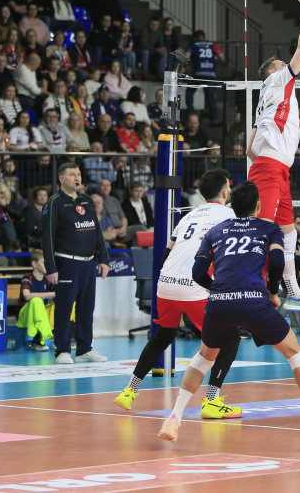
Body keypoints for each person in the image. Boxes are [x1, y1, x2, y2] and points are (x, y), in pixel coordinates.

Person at [158, 180, 300, 442]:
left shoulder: (216, 230)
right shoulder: (269, 229)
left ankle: (173, 419)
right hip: (254, 302)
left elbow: (197, 272)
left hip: (219, 304)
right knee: (297, 355)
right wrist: (273, 292)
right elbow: (277, 261)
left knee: (203, 359)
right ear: (258, 205)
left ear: (231, 206)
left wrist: (217, 291)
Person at [116, 169, 243, 419]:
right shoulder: (229, 215)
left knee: (164, 335)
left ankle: (129, 391)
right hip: (193, 284)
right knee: (231, 338)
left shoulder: (189, 215)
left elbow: (165, 254)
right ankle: (211, 401)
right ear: (226, 191)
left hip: (165, 282)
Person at [246, 0, 300, 312]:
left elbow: (248, 149)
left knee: (289, 232)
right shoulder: (278, 81)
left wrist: (269, 157)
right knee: (262, 234)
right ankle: (253, 294)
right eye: (281, 62)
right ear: (275, 72)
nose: (286, 64)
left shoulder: (264, 96)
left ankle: (292, 292)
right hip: (270, 168)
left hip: (275, 167)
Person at [42, 162, 110, 364]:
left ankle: (84, 349)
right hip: (67, 263)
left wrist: (104, 259)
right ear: (62, 179)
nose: (77, 177)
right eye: (72, 174)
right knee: (64, 307)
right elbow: (48, 238)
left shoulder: (87, 200)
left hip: (89, 263)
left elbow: (97, 232)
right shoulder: (54, 203)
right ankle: (62, 350)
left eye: (79, 173)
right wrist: (51, 267)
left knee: (87, 308)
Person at [184, 30, 224, 121]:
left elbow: (186, 57)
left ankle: (190, 111)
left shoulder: (193, 44)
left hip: (198, 73)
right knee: (210, 96)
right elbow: (221, 57)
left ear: (195, 37)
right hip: (211, 74)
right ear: (204, 36)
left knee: (190, 91)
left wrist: (182, 69)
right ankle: (214, 118)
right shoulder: (212, 44)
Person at [134, 14, 165, 81]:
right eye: (153, 24)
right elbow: (143, 45)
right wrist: (156, 49)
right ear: (149, 23)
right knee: (145, 52)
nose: (154, 26)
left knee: (164, 53)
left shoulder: (159, 32)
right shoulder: (144, 30)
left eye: (156, 25)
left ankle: (160, 75)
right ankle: (144, 75)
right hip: (140, 50)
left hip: (152, 51)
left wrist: (162, 48)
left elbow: (161, 43)